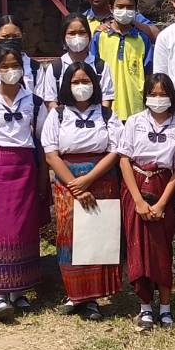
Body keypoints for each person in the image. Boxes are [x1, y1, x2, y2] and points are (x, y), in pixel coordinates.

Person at [0, 44, 47, 322]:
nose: (11, 71)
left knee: (25, 228)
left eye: (15, 65)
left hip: (25, 165)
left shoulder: (35, 103)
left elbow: (41, 143)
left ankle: (20, 290)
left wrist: (41, 179)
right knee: (2, 229)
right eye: (5, 66)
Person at [41, 59, 121, 320]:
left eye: (86, 81)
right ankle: (74, 294)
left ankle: (93, 298)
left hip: (102, 179)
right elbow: (51, 153)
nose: (81, 86)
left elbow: (116, 149)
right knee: (69, 237)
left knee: (96, 239)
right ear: (66, 85)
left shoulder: (106, 115)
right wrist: (76, 185)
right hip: (67, 181)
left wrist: (90, 179)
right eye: (75, 82)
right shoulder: (58, 115)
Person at [116, 73, 175, 329]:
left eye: (162, 94)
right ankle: (145, 307)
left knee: (161, 248)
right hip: (135, 185)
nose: (158, 99)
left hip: (163, 185)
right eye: (153, 94)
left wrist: (161, 203)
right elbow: (124, 159)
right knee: (138, 247)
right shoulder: (134, 122)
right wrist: (138, 200)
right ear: (145, 95)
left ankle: (166, 307)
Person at [93, 0, 154, 119]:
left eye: (129, 7)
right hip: (106, 109)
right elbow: (93, 71)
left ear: (135, 10)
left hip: (136, 109)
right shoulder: (100, 37)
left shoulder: (142, 39)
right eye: (120, 7)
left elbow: (149, 74)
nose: (124, 11)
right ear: (111, 8)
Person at [39, 11, 115, 112]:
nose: (77, 37)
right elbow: (50, 101)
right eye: (72, 33)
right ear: (64, 37)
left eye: (82, 32)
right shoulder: (55, 68)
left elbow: (106, 99)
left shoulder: (100, 66)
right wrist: (61, 120)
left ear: (89, 35)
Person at [0, 15, 41, 96]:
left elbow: (41, 100)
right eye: (6, 36)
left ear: (23, 36)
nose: (10, 40)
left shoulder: (35, 68)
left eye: (15, 36)